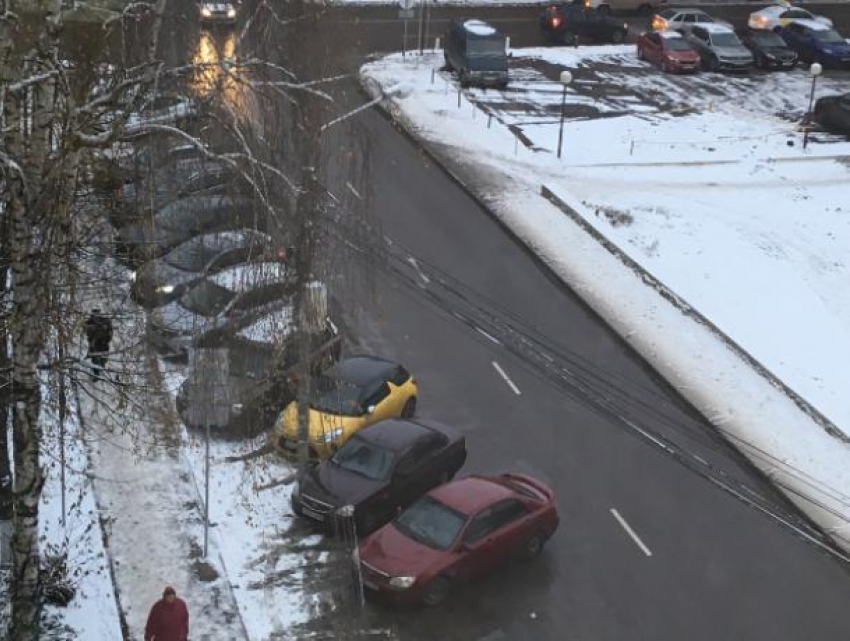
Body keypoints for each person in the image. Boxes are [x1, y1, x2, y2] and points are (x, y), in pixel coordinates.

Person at [84, 308, 113, 378]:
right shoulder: (90, 322)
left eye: (97, 312)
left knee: (103, 359)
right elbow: (84, 327)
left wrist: (105, 338)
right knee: (94, 360)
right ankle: (96, 375)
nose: (95, 315)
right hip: (94, 344)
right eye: (94, 313)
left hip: (104, 343)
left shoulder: (105, 320)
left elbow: (110, 332)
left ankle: (100, 372)